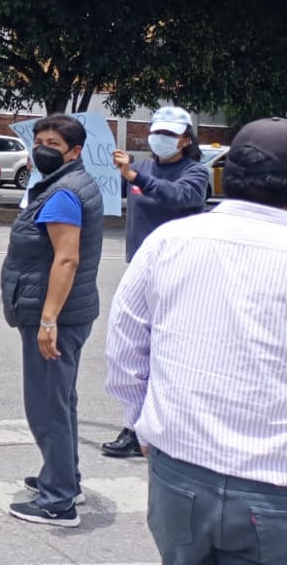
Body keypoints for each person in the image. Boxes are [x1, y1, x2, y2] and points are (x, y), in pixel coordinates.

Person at [104, 117, 287, 564]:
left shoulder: (169, 241)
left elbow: (124, 350)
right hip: (273, 486)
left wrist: (145, 425)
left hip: (178, 472)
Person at [1, 115, 104, 528]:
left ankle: (58, 501)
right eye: (38, 140)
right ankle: (64, 477)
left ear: (74, 152)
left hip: (56, 316)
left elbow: (67, 258)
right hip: (68, 312)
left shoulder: (63, 193)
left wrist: (48, 320)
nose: (41, 148)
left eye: (52, 143)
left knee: (47, 406)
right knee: (61, 400)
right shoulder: (66, 184)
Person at [101, 105, 210, 460]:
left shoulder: (194, 171)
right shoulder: (140, 168)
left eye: (169, 134)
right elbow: (105, 189)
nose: (160, 139)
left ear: (186, 139)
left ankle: (168, 426)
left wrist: (135, 177)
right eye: (156, 132)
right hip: (139, 267)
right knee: (134, 350)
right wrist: (114, 169)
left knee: (169, 350)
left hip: (180, 270)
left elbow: (181, 197)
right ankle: (135, 426)